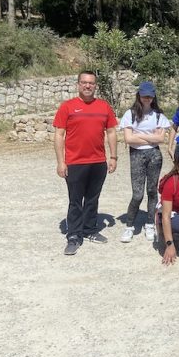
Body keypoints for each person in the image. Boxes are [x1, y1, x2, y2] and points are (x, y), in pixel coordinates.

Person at [53, 70, 118, 256]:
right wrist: (60, 162)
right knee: (75, 201)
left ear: (95, 85)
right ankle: (74, 235)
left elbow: (112, 132)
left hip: (98, 162)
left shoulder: (104, 107)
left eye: (91, 83)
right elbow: (59, 135)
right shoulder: (67, 107)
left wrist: (113, 157)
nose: (87, 86)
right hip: (75, 162)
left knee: (92, 199)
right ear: (78, 84)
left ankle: (90, 230)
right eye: (84, 82)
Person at [119, 81, 171, 243]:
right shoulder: (131, 114)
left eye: (150, 95)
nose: (147, 98)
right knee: (137, 194)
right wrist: (151, 137)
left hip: (154, 155)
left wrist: (139, 135)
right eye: (144, 95)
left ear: (154, 96)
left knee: (151, 191)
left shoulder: (158, 115)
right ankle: (129, 226)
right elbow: (128, 138)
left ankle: (150, 223)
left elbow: (160, 139)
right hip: (136, 155)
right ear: (139, 95)